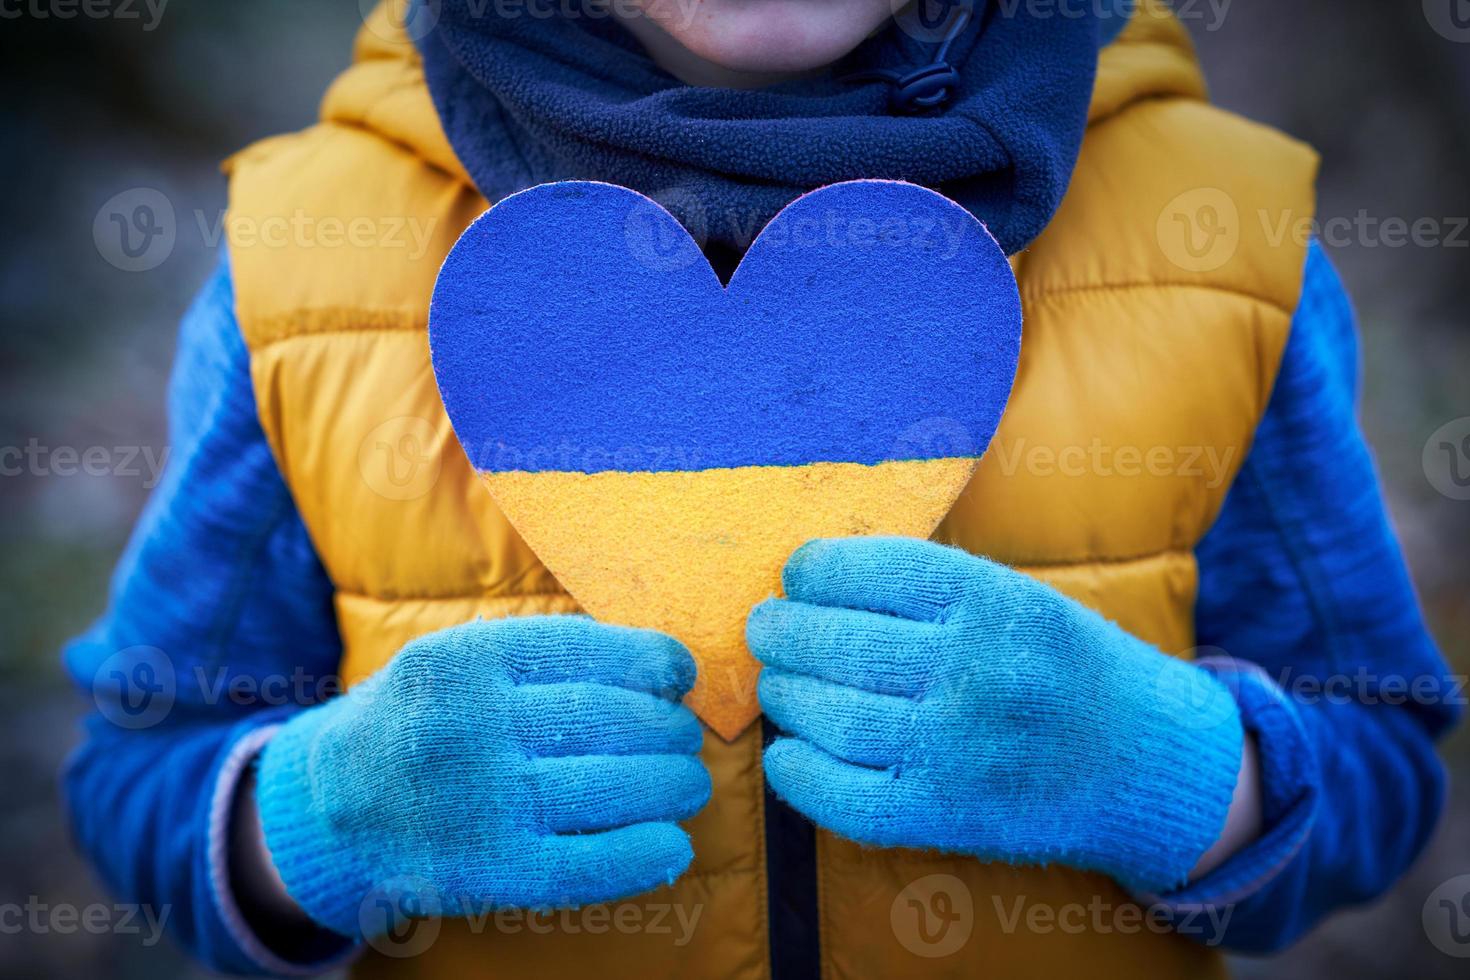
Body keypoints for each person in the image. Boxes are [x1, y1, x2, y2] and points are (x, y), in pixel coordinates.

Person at [64, 1, 1460, 977]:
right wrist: (328, 818)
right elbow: (140, 767)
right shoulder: (301, 265)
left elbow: (1383, 763)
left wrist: (1167, 773)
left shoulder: (1221, 245)